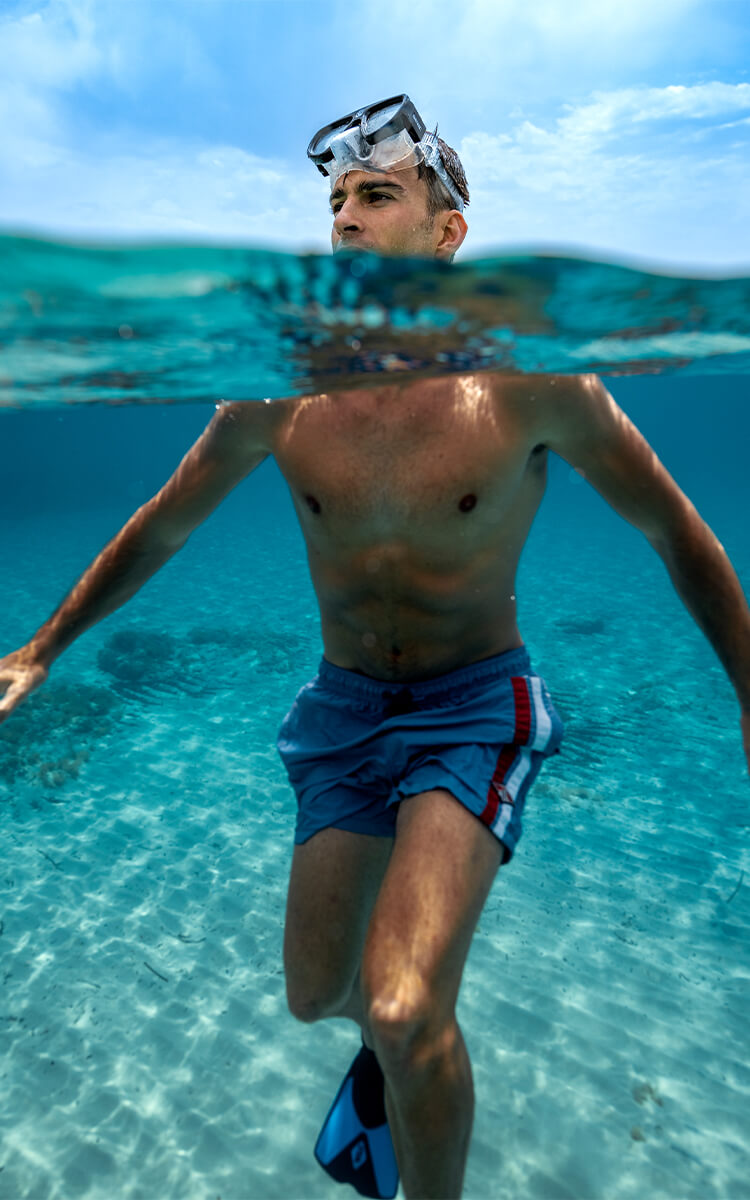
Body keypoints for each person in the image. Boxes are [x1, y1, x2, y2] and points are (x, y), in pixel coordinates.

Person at [1, 94, 748, 1200]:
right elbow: (162, 522)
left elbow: (673, 529)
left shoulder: (532, 381)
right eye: (335, 199)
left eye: (377, 193)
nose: (345, 217)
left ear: (448, 232)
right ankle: (382, 1069)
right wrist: (44, 646)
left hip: (473, 705)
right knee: (319, 993)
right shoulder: (278, 392)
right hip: (343, 709)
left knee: (406, 1005)